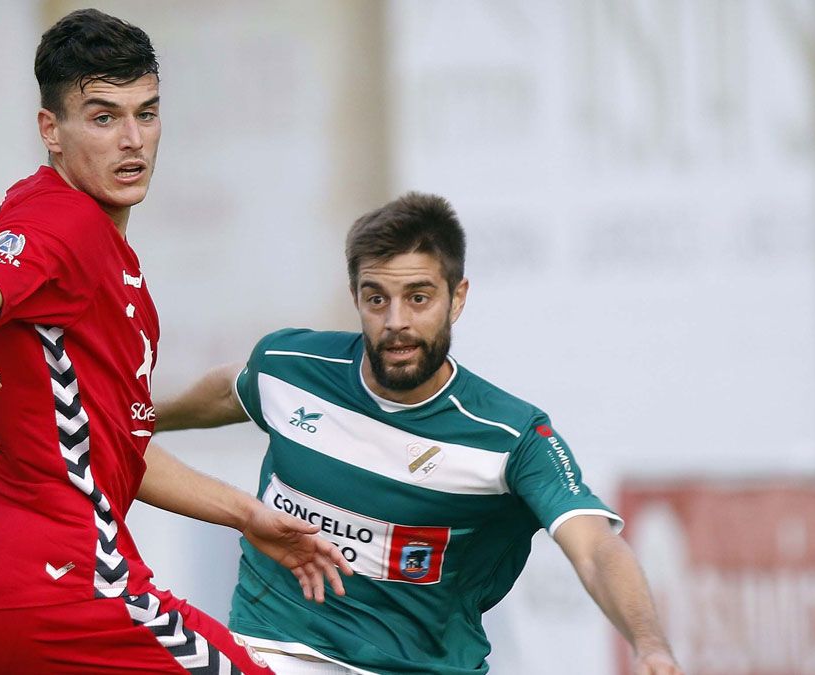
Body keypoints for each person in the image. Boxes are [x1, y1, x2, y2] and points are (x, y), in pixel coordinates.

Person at [0, 9, 348, 674]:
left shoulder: (76, 237)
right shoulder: (65, 226)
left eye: (147, 112)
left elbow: (114, 446)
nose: (132, 140)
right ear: (50, 130)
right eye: (104, 116)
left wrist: (243, 514)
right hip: (62, 582)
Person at [155, 193, 684, 675]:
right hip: (275, 647)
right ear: (355, 297)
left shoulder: (510, 436)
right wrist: (129, 413)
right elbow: (232, 388)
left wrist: (648, 643)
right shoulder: (290, 366)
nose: (395, 322)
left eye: (418, 298)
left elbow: (594, 546)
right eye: (376, 298)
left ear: (457, 298)